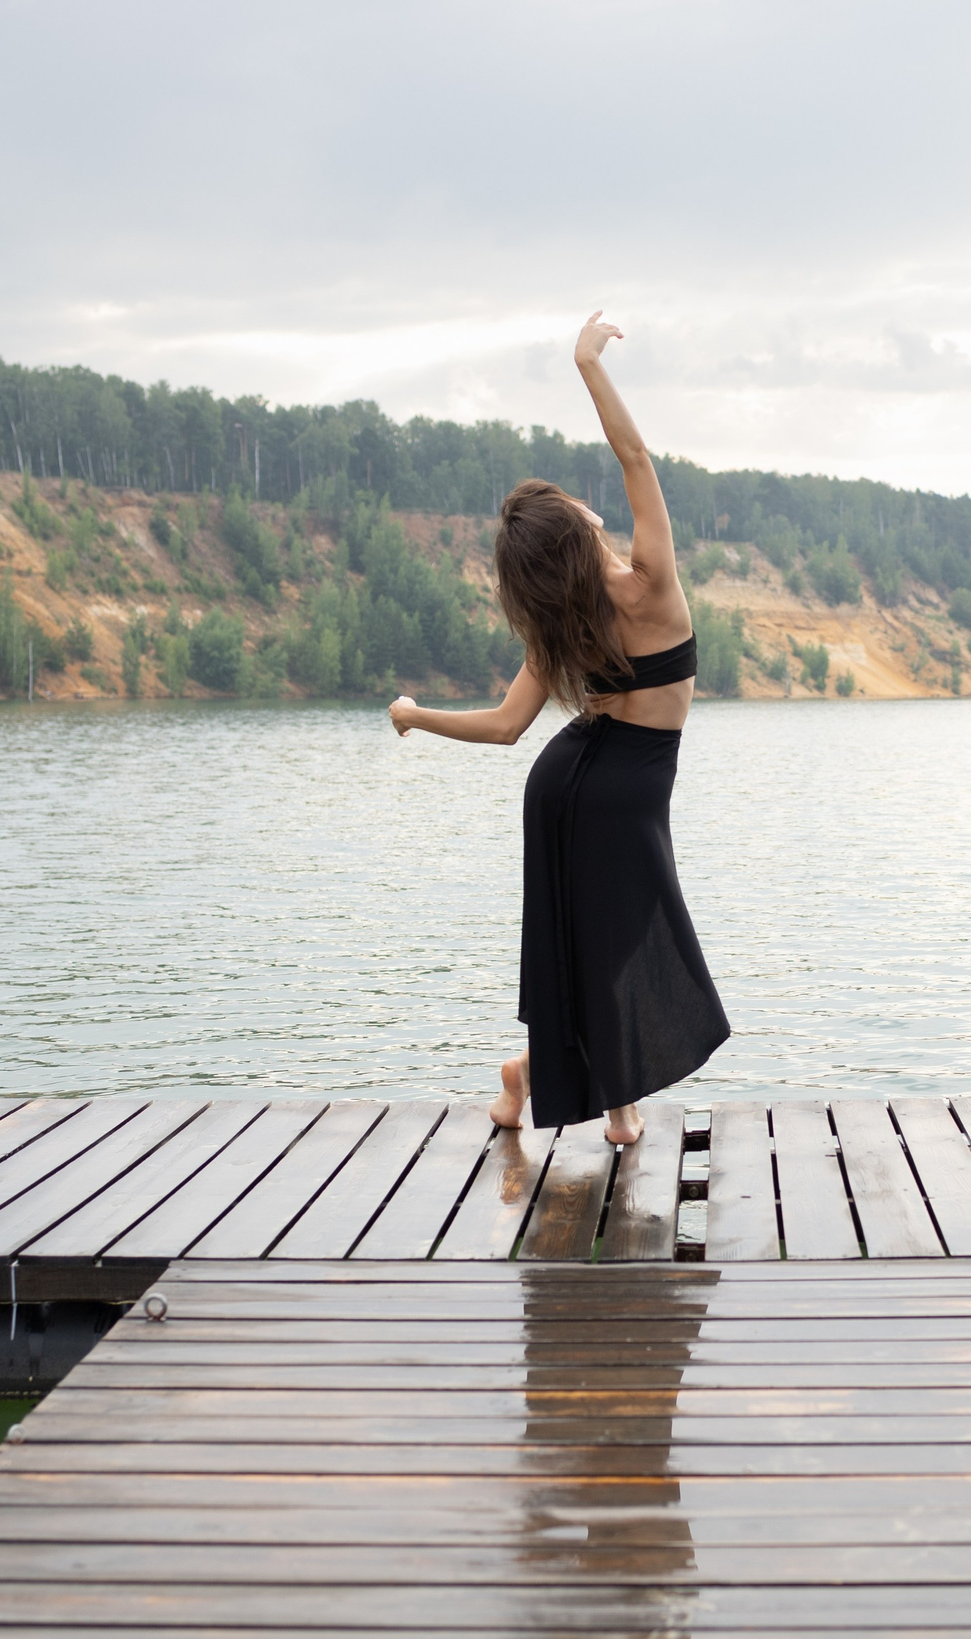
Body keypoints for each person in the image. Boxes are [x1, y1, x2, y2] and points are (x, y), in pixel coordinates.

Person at [389, 312, 729, 1146]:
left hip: (565, 776)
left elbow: (509, 728)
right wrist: (587, 366)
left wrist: (415, 714)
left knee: (586, 939)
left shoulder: (565, 622)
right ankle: (604, 1103)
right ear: (580, 528)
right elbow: (636, 457)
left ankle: (538, 1081)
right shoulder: (649, 583)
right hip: (627, 782)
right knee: (616, 938)